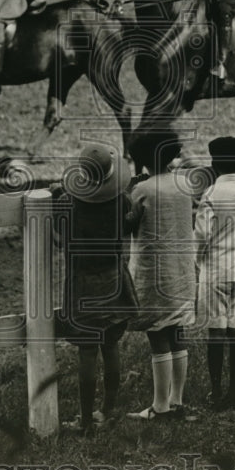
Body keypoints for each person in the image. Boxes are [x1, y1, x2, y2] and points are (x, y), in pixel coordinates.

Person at [52, 143, 138, 435]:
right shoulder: (121, 201)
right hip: (114, 280)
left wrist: (54, 201)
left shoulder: (67, 203)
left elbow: (58, 239)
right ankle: (108, 409)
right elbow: (129, 227)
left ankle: (86, 420)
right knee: (110, 346)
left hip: (82, 285)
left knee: (87, 353)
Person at [126, 132, 197, 420]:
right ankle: (177, 400)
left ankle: (160, 407)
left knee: (158, 335)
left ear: (142, 160)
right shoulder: (183, 183)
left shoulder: (143, 190)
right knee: (177, 332)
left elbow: (128, 224)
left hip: (154, 272)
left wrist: (126, 195)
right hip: (182, 269)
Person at [193, 136, 235, 411]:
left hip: (216, 269)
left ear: (214, 163)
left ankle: (216, 392)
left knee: (216, 332)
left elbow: (202, 235)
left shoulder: (210, 195)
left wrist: (197, 259)